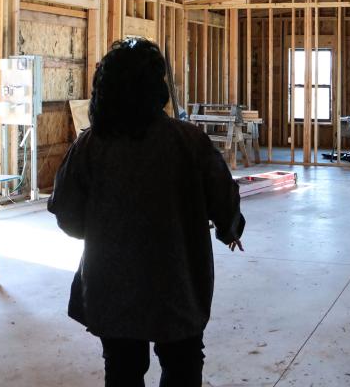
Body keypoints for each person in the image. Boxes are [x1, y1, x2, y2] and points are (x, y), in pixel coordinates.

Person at [48, 38, 245, 387]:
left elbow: (67, 215)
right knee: (182, 364)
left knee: (122, 367)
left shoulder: (91, 145)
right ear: (157, 89)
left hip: (111, 284)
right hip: (178, 282)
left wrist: (103, 231)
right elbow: (223, 198)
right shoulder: (189, 141)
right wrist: (229, 229)